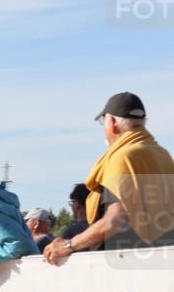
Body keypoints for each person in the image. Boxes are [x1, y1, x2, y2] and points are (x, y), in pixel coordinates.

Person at [45, 92, 174, 263]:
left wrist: (69, 245)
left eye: (102, 122)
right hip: (160, 256)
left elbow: (114, 222)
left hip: (124, 263)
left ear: (112, 122)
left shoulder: (123, 156)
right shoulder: (162, 154)